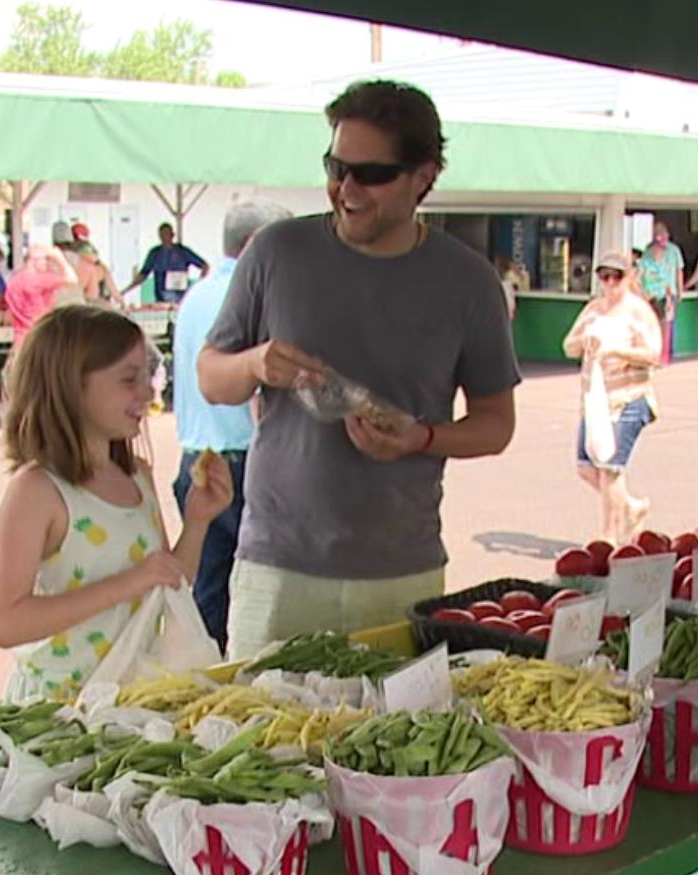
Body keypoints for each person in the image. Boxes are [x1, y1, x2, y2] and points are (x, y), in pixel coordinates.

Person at [197, 80, 520, 659]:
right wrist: (255, 363)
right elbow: (210, 377)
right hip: (276, 564)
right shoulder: (276, 251)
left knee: (387, 742)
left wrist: (422, 438)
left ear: (423, 176)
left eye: (369, 174)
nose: (345, 188)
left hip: (399, 571)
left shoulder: (468, 282)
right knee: (256, 736)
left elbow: (496, 424)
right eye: (335, 166)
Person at [0, 305, 233, 703]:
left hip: (128, 699)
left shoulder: (137, 473)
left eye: (147, 375)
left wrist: (199, 520)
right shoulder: (37, 492)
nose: (149, 392)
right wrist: (129, 583)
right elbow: (5, 622)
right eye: (128, 379)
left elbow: (167, 579)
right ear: (71, 386)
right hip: (57, 711)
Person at [169, 200, 291, 650]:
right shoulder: (249, 296)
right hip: (241, 467)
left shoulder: (195, 296)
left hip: (194, 462)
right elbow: (261, 393)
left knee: (205, 596)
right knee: (252, 597)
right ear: (257, 245)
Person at [565, 252, 663, 542]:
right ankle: (631, 507)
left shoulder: (638, 312)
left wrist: (616, 351)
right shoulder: (593, 309)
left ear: (629, 277)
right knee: (586, 467)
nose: (610, 284)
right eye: (604, 277)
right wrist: (583, 341)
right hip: (595, 402)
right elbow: (568, 346)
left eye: (616, 277)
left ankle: (608, 537)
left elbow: (653, 355)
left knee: (610, 468)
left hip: (629, 398)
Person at [4, 244, 80, 348]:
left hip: (20, 336)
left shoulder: (16, 279)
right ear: (34, 260)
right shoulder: (39, 279)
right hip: (39, 335)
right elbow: (72, 279)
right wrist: (60, 258)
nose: (48, 263)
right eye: (45, 259)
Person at [124, 223, 208, 305]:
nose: (165, 237)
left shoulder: (182, 251)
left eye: (167, 234)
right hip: (161, 299)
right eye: (162, 235)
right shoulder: (155, 253)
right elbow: (143, 274)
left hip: (181, 299)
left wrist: (197, 287)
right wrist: (125, 290)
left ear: (172, 235)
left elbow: (205, 266)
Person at [637, 222, 684, 362]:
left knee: (664, 324)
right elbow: (640, 275)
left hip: (666, 293)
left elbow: (678, 271)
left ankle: (665, 354)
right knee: (657, 324)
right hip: (653, 294)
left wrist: (680, 290)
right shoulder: (648, 252)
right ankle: (660, 354)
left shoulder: (672, 250)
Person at [74, 242, 121, 308]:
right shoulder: (102, 268)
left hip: (87, 306)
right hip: (99, 306)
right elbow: (115, 292)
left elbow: (92, 295)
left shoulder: (81, 268)